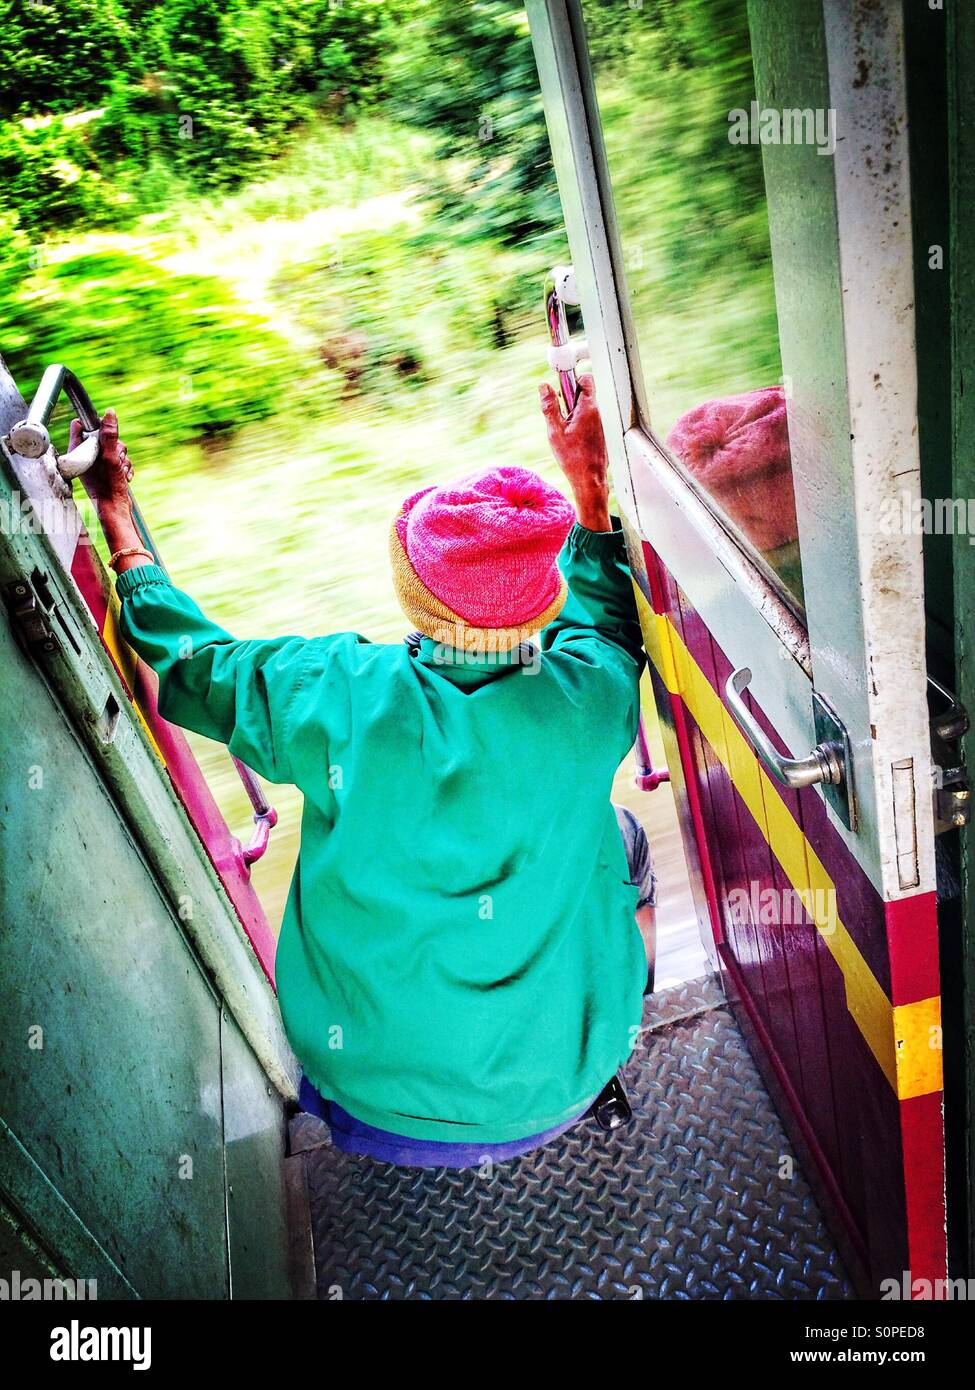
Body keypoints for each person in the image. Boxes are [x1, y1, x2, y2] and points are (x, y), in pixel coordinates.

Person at [83, 374, 655, 1166]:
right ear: (541, 604)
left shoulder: (335, 694)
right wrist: (588, 492)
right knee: (624, 839)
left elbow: (197, 664)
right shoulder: (590, 694)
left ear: (412, 593)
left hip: (373, 1108)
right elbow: (608, 619)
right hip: (564, 1089)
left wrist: (121, 527)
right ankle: (612, 1026)